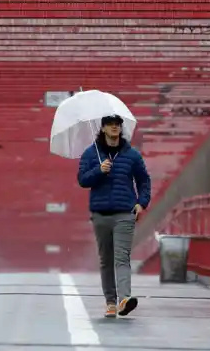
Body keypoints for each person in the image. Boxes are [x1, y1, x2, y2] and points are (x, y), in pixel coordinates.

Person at [77, 114, 152, 318]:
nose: (114, 127)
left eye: (117, 124)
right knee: (106, 260)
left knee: (122, 257)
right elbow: (82, 180)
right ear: (102, 128)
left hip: (124, 214)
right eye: (110, 124)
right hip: (100, 214)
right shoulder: (91, 154)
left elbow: (144, 181)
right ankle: (110, 302)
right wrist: (99, 170)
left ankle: (124, 299)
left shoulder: (132, 155)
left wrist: (141, 203)